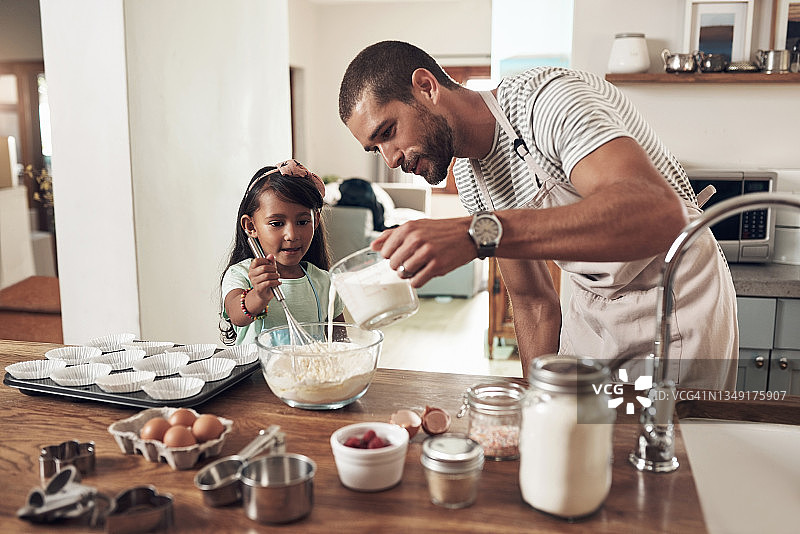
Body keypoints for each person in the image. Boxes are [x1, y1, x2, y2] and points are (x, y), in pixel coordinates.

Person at [338, 40, 738, 389]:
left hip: (674, 301)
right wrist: (536, 404)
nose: (391, 160)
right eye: (376, 150)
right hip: (592, 308)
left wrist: (477, 233)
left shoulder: (546, 101)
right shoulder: (472, 177)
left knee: (666, 463)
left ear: (426, 87)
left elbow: (656, 215)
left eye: (387, 132)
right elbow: (532, 302)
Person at [219, 160, 345, 345]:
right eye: (277, 224)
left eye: (302, 222)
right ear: (251, 226)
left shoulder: (325, 282)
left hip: (310, 373)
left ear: (316, 220)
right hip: (259, 374)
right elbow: (236, 315)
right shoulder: (241, 275)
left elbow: (340, 341)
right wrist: (259, 295)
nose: (292, 235)